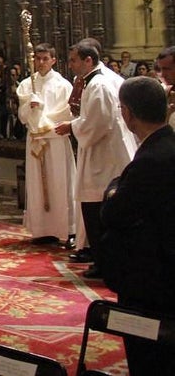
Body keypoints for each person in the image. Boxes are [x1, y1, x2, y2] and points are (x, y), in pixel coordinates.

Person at [100, 77, 175, 375]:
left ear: (128, 113)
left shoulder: (150, 160)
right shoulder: (167, 145)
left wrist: (113, 189)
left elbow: (114, 212)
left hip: (151, 279)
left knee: (149, 357)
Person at [54, 40, 136, 278]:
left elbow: (98, 122)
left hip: (103, 155)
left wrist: (72, 126)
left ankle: (104, 263)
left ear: (88, 60)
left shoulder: (99, 84)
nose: (70, 65)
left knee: (97, 208)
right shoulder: (97, 81)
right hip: (103, 151)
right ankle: (101, 259)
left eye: (74, 60)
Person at [15, 44, 76, 244]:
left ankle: (66, 228)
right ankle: (42, 230)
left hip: (55, 138)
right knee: (36, 185)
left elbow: (66, 113)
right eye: (37, 58)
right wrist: (30, 107)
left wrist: (41, 114)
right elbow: (22, 116)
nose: (40, 62)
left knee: (60, 182)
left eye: (45, 58)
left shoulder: (63, 85)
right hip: (35, 139)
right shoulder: (27, 84)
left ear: (53, 60)